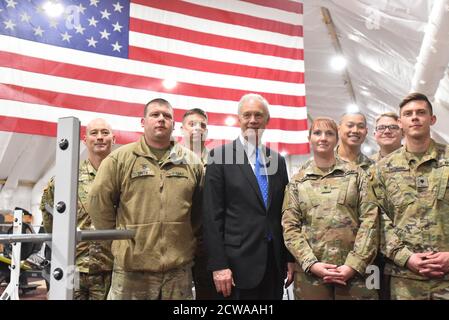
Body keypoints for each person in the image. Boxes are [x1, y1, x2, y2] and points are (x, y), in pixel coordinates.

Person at [88, 98, 204, 300]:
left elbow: (200, 211)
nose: (161, 119)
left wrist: (187, 239)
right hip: (132, 272)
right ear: (143, 122)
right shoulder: (120, 159)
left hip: (178, 272)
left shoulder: (191, 162)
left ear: (173, 124)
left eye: (167, 116)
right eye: (155, 115)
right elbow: (99, 204)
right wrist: (119, 241)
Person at [203, 93, 294, 300]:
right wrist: (219, 265)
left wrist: (289, 258)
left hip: (274, 264)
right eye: (247, 115)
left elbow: (284, 213)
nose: (253, 120)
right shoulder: (219, 157)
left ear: (267, 121)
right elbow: (211, 217)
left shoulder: (277, 161)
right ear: (239, 119)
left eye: (258, 115)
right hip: (236, 267)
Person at [282, 117, 379, 300]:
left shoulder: (356, 175)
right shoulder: (297, 181)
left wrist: (354, 264)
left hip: (355, 274)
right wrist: (311, 264)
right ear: (309, 137)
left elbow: (370, 220)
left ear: (337, 138)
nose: (323, 138)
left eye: (329, 133)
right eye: (317, 133)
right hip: (312, 276)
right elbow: (290, 227)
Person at [371, 92, 449, 300]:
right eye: (408, 114)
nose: (415, 117)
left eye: (421, 112)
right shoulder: (382, 170)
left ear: (432, 119)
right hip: (406, 280)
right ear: (400, 122)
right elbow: (377, 221)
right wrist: (406, 257)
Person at [40, 118, 115, 300]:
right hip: (72, 267)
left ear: (113, 139)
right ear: (84, 139)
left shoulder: (121, 178)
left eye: (105, 133)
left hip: (110, 269)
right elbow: (48, 212)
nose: (99, 138)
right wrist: (63, 245)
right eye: (94, 133)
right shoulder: (67, 177)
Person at [180, 108, 217, 300]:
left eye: (203, 125)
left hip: (208, 245)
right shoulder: (170, 160)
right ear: (182, 129)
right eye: (192, 124)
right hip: (177, 244)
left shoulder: (218, 162)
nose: (198, 128)